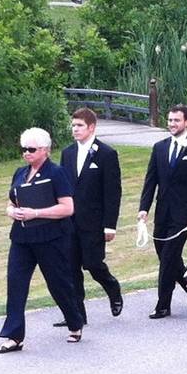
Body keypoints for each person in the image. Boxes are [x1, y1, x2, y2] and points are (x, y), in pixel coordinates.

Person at [0, 127, 85, 353]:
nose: (27, 153)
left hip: (50, 238)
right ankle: (14, 335)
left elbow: (67, 208)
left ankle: (74, 322)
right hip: (22, 238)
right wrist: (11, 212)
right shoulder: (19, 173)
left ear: (45, 150)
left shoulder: (56, 173)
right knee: (15, 283)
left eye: (32, 149)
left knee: (59, 283)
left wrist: (36, 212)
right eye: (24, 149)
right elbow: (12, 202)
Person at [53, 108, 123, 327]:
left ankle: (112, 288)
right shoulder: (68, 153)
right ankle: (76, 315)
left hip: (94, 222)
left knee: (92, 264)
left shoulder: (106, 154)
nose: (75, 129)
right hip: (70, 221)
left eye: (79, 125)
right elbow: (63, 187)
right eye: (73, 125)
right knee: (71, 267)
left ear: (91, 127)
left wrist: (109, 225)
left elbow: (113, 192)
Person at [138, 104, 187, 319]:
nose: (172, 124)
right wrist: (144, 208)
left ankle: (163, 305)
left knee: (168, 259)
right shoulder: (159, 147)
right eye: (169, 120)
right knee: (166, 256)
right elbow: (150, 181)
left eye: (176, 120)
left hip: (184, 215)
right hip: (162, 212)